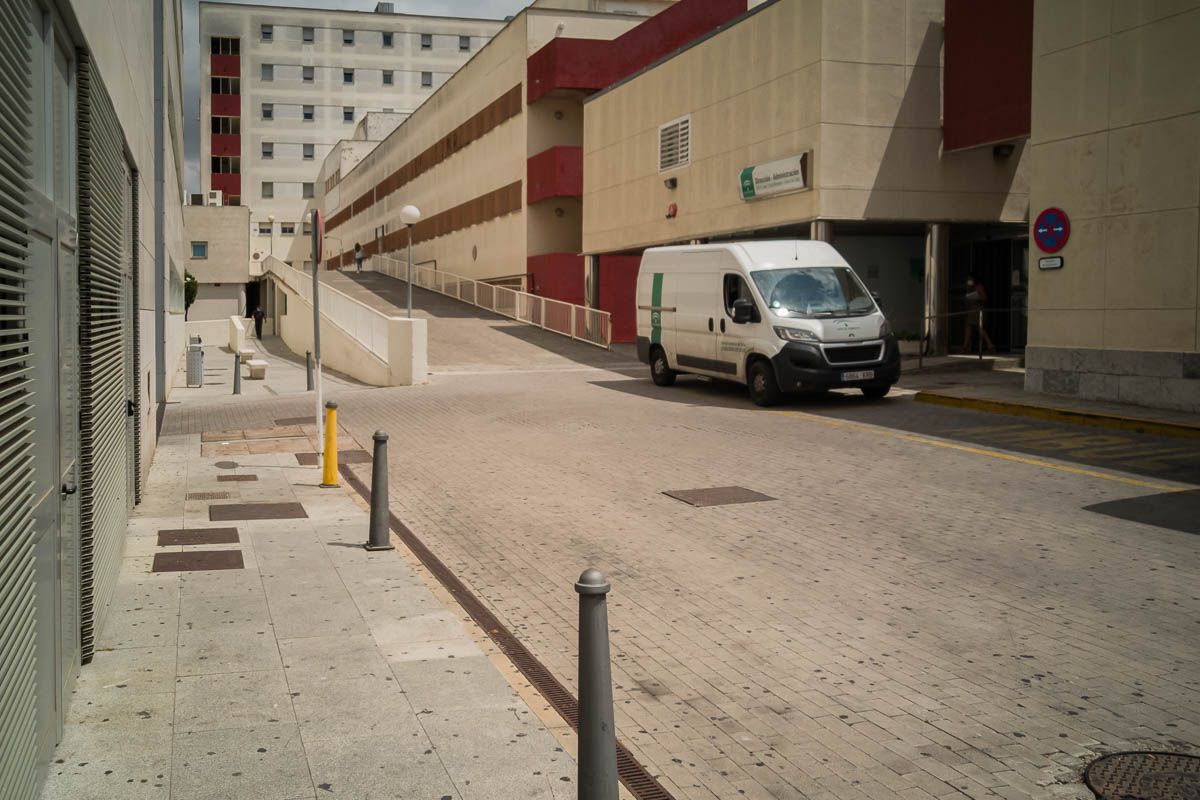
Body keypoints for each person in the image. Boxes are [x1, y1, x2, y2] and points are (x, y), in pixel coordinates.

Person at [961, 275, 994, 353]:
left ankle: (966, 347)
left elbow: (984, 297)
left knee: (977, 327)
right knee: (970, 327)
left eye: (970, 279)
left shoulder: (979, 287)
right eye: (968, 279)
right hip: (972, 310)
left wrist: (976, 297)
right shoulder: (969, 288)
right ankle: (967, 347)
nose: (969, 281)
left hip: (978, 309)